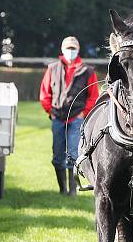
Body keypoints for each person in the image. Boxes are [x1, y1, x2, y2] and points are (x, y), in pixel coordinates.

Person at [39, 36, 99, 196]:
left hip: (76, 118)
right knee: (57, 155)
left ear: (78, 49)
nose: (70, 51)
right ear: (62, 49)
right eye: (68, 48)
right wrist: (50, 111)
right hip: (57, 117)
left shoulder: (88, 71)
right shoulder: (52, 68)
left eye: (73, 48)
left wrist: (83, 114)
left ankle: (72, 191)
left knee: (73, 154)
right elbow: (45, 93)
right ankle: (62, 190)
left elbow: (93, 96)